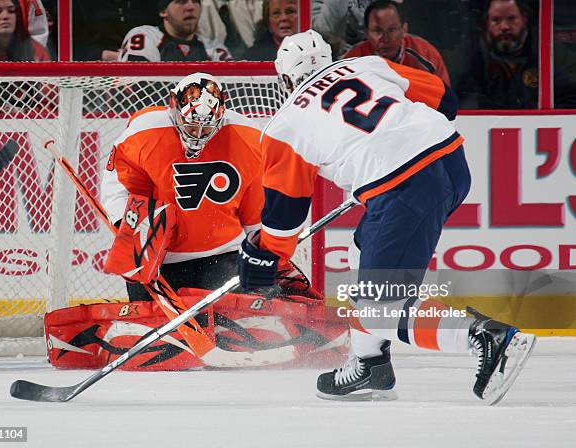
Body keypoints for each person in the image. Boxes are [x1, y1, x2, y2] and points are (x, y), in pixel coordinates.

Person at [237, 30, 536, 403]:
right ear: (329, 59)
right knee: (362, 252)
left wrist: (264, 254)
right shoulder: (367, 65)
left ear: (284, 78)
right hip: (452, 164)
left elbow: (287, 213)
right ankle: (370, 363)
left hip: (406, 188)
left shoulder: (286, 124)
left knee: (380, 310)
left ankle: (485, 336)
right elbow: (446, 100)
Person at [101, 72, 318, 302]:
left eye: (206, 128)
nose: (198, 135)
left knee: (240, 320)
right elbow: (119, 185)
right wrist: (125, 223)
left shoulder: (249, 138)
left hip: (224, 254)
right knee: (159, 330)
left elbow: (255, 212)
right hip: (160, 258)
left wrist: (264, 254)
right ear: (174, 107)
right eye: (192, 126)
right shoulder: (143, 132)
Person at [458, 0, 576, 108]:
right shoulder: (473, 57)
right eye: (496, 20)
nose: (504, 26)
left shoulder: (550, 52)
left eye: (511, 18)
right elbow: (465, 103)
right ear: (486, 23)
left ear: (524, 18)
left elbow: (570, 96)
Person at [343, 0, 451, 85]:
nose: (385, 38)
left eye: (392, 29)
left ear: (404, 30)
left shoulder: (426, 55)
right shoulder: (352, 61)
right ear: (366, 33)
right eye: (377, 31)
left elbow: (447, 101)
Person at [119, 0, 231, 62]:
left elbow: (233, 92)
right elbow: (138, 87)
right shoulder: (144, 36)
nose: (191, 7)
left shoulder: (214, 48)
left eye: (196, 1)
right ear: (163, 11)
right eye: (181, 1)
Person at [72, 0, 158, 61]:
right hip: (95, 69)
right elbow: (68, 47)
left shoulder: (147, 4)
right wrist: (104, 55)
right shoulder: (79, 4)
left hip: (141, 64)